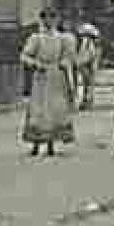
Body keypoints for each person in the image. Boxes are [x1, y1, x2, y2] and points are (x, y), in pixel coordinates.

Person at [20, 9, 76, 157]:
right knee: (39, 109)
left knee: (55, 108)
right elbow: (24, 56)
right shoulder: (37, 38)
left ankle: (51, 143)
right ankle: (36, 144)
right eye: (46, 18)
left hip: (57, 76)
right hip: (41, 77)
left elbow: (68, 56)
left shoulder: (62, 38)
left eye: (52, 18)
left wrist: (64, 63)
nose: (49, 21)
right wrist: (36, 64)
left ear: (57, 20)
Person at [73, 23, 101, 111]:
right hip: (87, 64)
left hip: (87, 64)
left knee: (87, 83)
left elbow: (88, 55)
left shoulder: (88, 43)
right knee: (87, 84)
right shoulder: (90, 43)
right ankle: (87, 101)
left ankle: (87, 101)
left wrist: (78, 63)